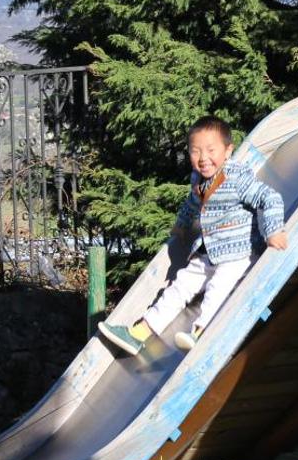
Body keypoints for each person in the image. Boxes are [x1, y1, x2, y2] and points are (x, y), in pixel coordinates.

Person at [99, 115, 287, 355]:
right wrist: (182, 224)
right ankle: (140, 332)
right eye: (195, 152)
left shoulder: (237, 178)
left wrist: (274, 230)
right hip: (207, 252)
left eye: (211, 150)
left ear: (228, 151)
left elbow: (269, 197)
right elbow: (192, 203)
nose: (203, 158)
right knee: (179, 287)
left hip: (238, 253)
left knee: (218, 288)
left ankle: (200, 331)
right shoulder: (198, 179)